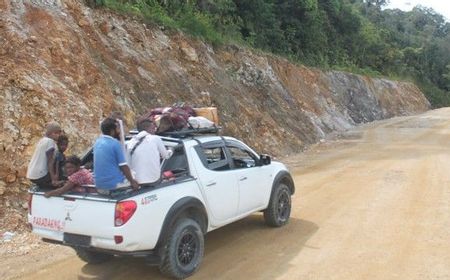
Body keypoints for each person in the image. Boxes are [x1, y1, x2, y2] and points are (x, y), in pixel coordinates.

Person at [93, 117, 139, 194]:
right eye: (117, 129)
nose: (119, 131)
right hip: (114, 184)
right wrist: (133, 182)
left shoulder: (97, 142)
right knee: (134, 174)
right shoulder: (115, 143)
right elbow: (123, 166)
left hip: (99, 184)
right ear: (112, 131)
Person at [127, 119, 173, 185]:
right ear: (147, 129)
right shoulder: (155, 138)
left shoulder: (130, 142)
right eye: (153, 128)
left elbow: (128, 163)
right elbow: (166, 156)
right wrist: (171, 150)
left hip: (136, 181)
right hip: (154, 179)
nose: (155, 130)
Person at [26, 122, 62, 189]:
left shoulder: (42, 140)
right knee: (63, 180)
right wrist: (54, 179)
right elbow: (50, 162)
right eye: (57, 133)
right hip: (41, 175)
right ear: (52, 133)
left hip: (31, 174)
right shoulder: (50, 142)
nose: (59, 135)